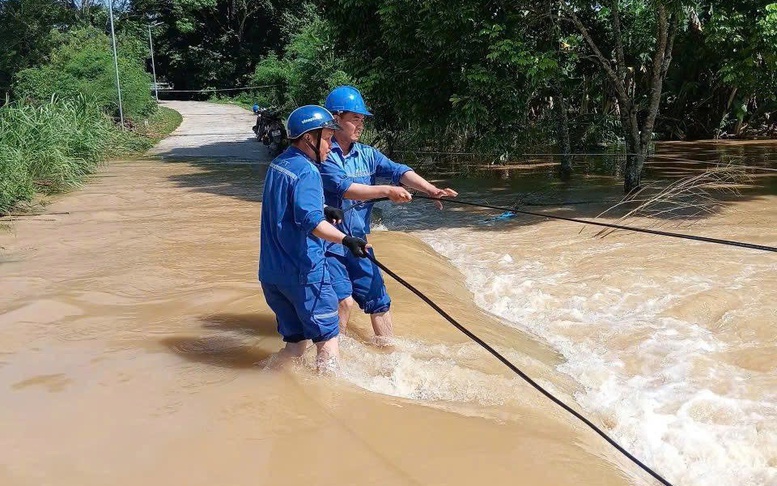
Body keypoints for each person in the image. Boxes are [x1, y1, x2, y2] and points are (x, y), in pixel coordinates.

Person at [319, 85, 458, 343]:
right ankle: (333, 365)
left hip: (359, 242)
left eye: (362, 119)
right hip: (329, 244)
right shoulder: (324, 153)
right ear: (336, 119)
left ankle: (389, 355)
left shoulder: (367, 154)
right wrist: (387, 190)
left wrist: (430, 189)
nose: (360, 125)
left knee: (379, 300)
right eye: (354, 119)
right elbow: (344, 189)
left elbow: (398, 170)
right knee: (344, 302)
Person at [258, 104, 370, 371]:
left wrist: (322, 208)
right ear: (310, 137)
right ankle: (330, 403)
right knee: (328, 341)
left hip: (272, 276)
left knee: (295, 345)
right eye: (328, 138)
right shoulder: (308, 171)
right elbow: (312, 223)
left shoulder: (279, 164)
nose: (330, 147)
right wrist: (346, 239)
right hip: (304, 275)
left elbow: (288, 206)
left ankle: (267, 381)